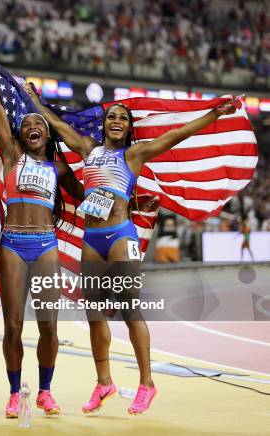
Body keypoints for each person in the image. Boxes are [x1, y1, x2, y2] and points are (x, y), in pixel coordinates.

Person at [26, 84, 236, 414]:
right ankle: (104, 382)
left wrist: (212, 114)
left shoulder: (134, 155)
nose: (117, 121)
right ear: (105, 122)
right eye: (112, 116)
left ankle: (147, 383)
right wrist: (36, 102)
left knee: (129, 309)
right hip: (91, 238)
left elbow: (175, 136)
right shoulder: (88, 147)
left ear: (128, 127)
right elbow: (58, 125)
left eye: (123, 118)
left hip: (121, 236)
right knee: (94, 312)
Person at [0, 36, 84, 418]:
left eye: (39, 124)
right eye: (28, 123)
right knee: (13, 325)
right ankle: (15, 392)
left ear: (47, 134)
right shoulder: (12, 153)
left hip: (46, 245)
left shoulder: (58, 168)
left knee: (48, 325)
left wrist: (130, 202)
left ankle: (46, 390)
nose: (33, 126)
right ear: (20, 133)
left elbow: (91, 198)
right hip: (14, 244)